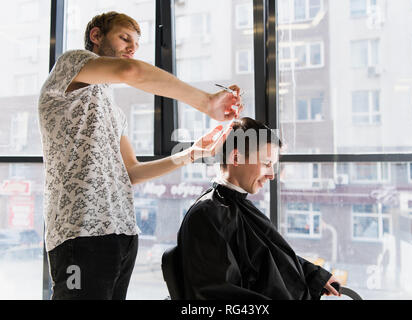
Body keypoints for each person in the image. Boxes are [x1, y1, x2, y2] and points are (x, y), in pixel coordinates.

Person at [38, 11, 241, 300]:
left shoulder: (112, 109)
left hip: (122, 234)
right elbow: (131, 72)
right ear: (96, 36)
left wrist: (192, 153)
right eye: (124, 38)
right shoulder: (71, 63)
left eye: (136, 43)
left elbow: (130, 172)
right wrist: (206, 101)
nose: (132, 48)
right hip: (79, 233)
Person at [176, 117, 341, 300]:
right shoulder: (207, 216)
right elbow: (218, 292)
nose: (271, 175)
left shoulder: (239, 207)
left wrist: (315, 276)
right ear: (236, 157)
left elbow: (271, 256)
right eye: (266, 164)